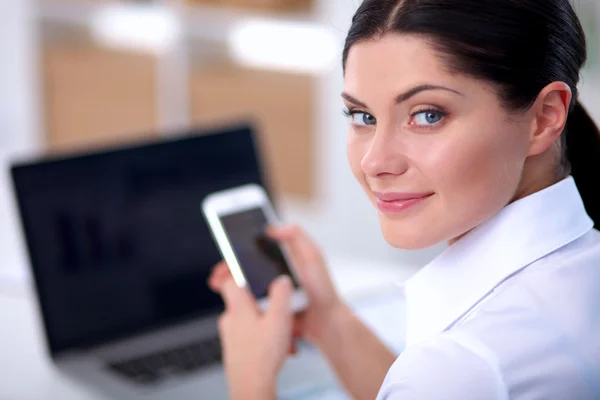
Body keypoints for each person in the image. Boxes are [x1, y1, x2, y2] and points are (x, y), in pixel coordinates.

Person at [208, 0, 600, 398]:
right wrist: (329, 320)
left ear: (545, 117)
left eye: (427, 115)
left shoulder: (461, 365)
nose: (374, 162)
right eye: (363, 117)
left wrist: (250, 381)